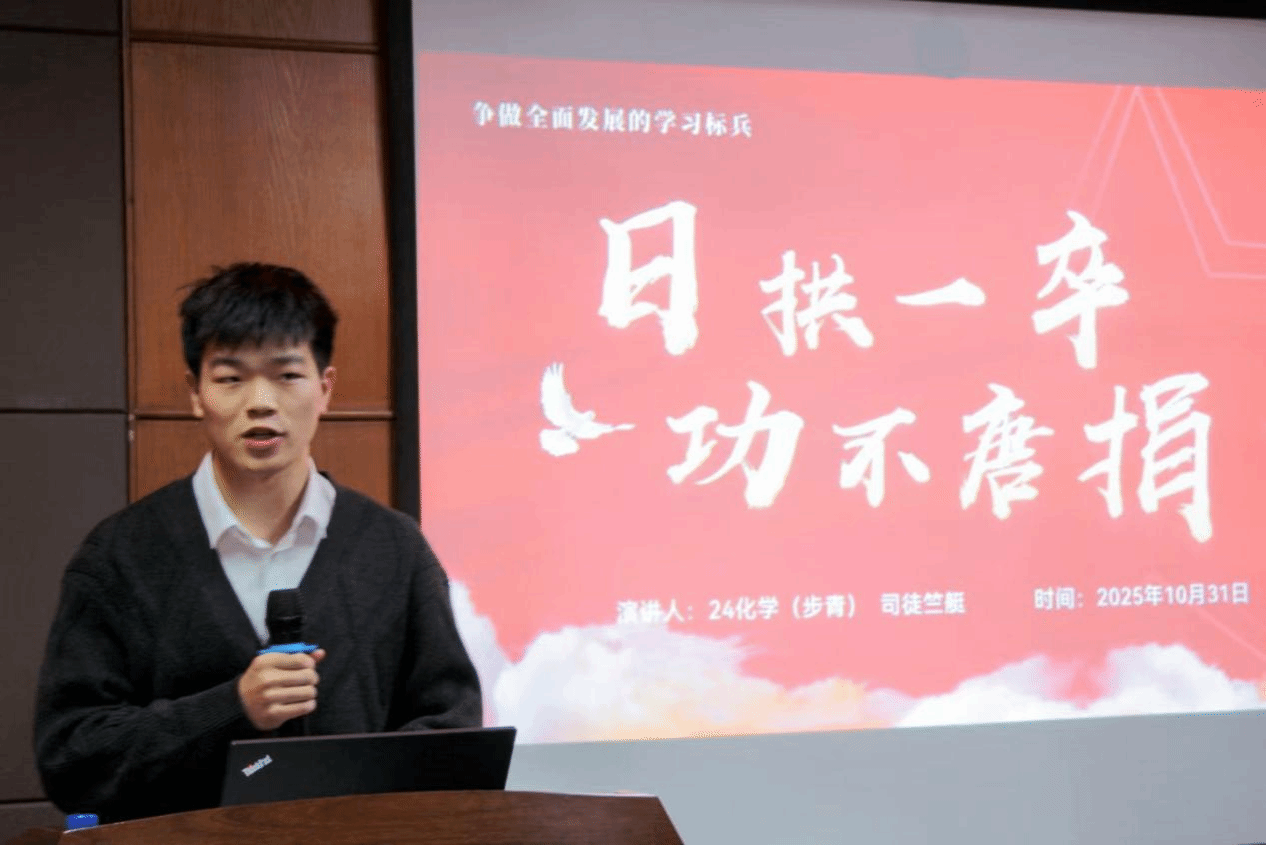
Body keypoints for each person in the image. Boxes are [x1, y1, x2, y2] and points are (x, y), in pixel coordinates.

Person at [34, 263, 481, 822]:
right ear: (195, 394)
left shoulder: (394, 548)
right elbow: (73, 758)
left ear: (325, 389)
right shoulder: (121, 556)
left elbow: (452, 734)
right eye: (231, 379)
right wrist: (232, 708)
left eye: (287, 375)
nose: (261, 402)